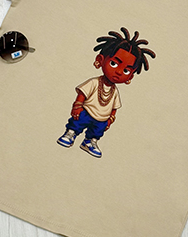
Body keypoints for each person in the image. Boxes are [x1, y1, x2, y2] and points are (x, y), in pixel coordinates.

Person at [57, 27, 156, 158]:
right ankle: (70, 133)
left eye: (126, 71)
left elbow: (114, 107)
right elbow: (82, 94)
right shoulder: (94, 82)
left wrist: (110, 119)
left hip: (102, 119)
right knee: (78, 122)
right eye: (114, 63)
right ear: (100, 60)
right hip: (86, 112)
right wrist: (77, 106)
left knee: (97, 131)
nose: (119, 72)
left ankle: (89, 142)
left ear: (130, 77)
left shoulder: (114, 92)